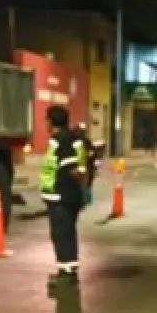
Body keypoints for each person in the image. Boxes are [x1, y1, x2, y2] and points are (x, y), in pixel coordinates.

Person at [40, 105, 91, 284]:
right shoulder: (72, 138)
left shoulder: (61, 140)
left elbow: (72, 169)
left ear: (51, 121)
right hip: (67, 195)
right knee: (66, 233)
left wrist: (79, 184)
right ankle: (67, 269)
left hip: (61, 196)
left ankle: (67, 273)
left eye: (46, 120)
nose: (45, 123)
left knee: (62, 234)